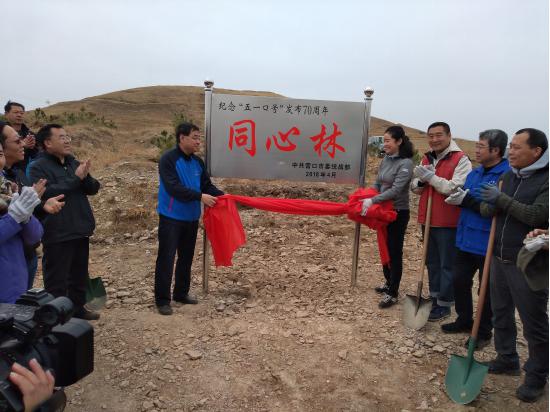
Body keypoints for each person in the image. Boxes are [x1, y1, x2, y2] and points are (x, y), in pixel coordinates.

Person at [478, 128, 548, 403]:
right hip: (498, 256)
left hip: (527, 262)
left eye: (518, 147)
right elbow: (488, 211)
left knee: (534, 322)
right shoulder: (508, 176)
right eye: (511, 146)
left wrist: (502, 200)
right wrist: (490, 202)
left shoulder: (546, 179)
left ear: (537, 151)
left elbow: (537, 215)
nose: (511, 151)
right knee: (501, 312)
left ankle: (536, 376)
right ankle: (507, 357)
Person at [441, 129, 509, 349]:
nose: (476, 150)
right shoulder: (475, 173)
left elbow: (494, 208)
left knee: (486, 290)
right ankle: (464, 319)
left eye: (481, 146)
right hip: (465, 238)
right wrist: (458, 199)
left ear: (496, 150)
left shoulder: (506, 175)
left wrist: (467, 200)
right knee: (459, 280)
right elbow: (467, 197)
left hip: (488, 242)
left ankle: (482, 331)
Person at [29, 124, 100, 321]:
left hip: (80, 228)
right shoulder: (38, 167)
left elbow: (93, 188)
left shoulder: (72, 162)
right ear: (48, 143)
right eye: (61, 137)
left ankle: (78, 309)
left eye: (68, 136)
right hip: (57, 232)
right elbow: (48, 193)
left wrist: (85, 177)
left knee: (79, 275)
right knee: (56, 280)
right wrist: (76, 179)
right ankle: (57, 318)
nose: (67, 140)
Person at [155, 122, 223, 315]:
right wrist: (200, 197)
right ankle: (162, 300)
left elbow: (206, 185)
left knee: (186, 257)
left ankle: (181, 293)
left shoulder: (197, 163)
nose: (198, 142)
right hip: (171, 217)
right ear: (182, 138)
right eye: (195, 137)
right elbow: (173, 188)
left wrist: (224, 196)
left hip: (191, 218)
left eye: (199, 138)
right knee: (167, 258)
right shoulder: (168, 159)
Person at [410, 122, 472, 321]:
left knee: (447, 265)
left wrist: (431, 177)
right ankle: (434, 296)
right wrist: (421, 181)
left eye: (439, 135)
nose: (434, 139)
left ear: (449, 135)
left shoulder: (461, 159)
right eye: (431, 136)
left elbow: (454, 188)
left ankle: (444, 303)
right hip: (428, 219)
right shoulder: (427, 157)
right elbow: (415, 188)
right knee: (432, 262)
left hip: (448, 221)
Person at [361, 126, 414, 308]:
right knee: (384, 246)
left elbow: (396, 190)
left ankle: (393, 292)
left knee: (394, 250)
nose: (384, 144)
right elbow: (378, 183)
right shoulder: (386, 159)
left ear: (399, 141)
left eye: (387, 141)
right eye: (383, 141)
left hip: (398, 212)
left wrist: (373, 200)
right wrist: (368, 196)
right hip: (383, 211)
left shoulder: (406, 163)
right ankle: (388, 281)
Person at [0, 140, 43, 304]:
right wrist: (13, 218)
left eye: (0, 154)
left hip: (13, 282)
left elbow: (35, 236)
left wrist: (26, 217)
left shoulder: (8, 191)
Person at [4, 101, 38, 170]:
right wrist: (23, 146)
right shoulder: (2, 132)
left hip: (27, 171)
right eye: (16, 112)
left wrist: (33, 146)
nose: (19, 115)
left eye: (22, 113)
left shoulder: (30, 134)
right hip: (7, 171)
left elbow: (36, 156)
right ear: (6, 114)